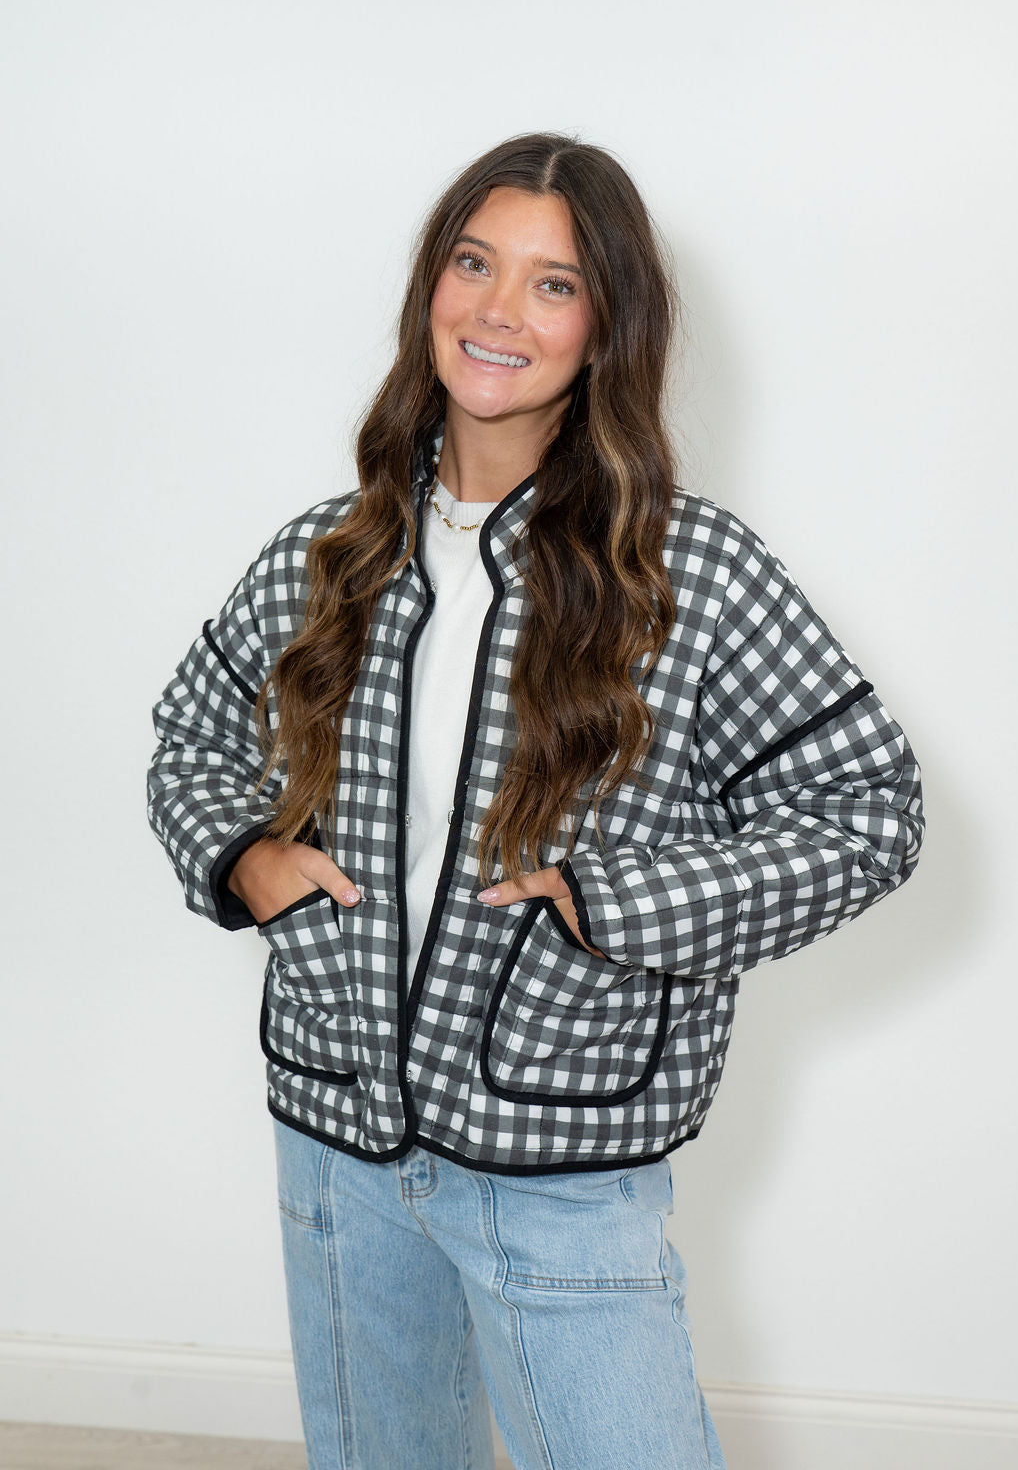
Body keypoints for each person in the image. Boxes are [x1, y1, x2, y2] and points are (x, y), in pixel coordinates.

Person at [147, 132, 925, 1470]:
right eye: (474, 264)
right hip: (338, 1140)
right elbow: (191, 735)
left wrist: (614, 906)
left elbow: (871, 811)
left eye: (554, 284)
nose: (500, 311)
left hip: (562, 1154)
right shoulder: (333, 553)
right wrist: (243, 859)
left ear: (607, 326)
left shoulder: (687, 572)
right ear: (430, 290)